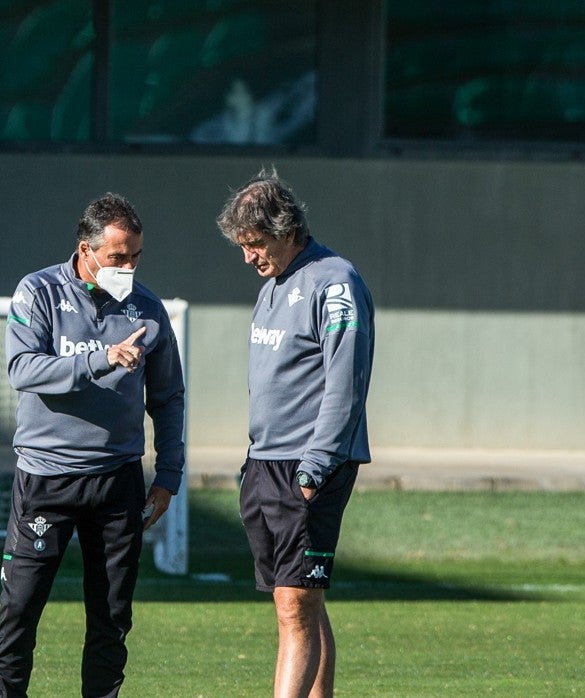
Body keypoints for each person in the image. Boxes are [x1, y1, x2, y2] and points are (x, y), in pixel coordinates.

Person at [0, 193, 186, 698]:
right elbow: (22, 368)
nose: (128, 267)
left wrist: (168, 476)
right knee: (20, 610)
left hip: (117, 481)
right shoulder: (36, 292)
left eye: (135, 257)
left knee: (112, 616)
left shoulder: (147, 308)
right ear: (87, 249)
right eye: (118, 257)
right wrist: (100, 359)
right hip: (46, 478)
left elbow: (167, 398)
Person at [216, 168, 374, 698]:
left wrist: (315, 466)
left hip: (309, 464)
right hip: (265, 463)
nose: (247, 257)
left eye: (255, 244)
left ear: (286, 230)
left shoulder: (335, 282)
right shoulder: (273, 285)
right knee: (303, 600)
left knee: (295, 604)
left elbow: (345, 384)